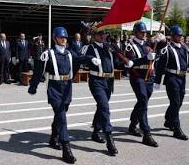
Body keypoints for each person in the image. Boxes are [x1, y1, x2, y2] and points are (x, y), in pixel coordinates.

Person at [28, 27, 95, 164]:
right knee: (62, 117)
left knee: (60, 114)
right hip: (54, 87)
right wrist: (33, 86)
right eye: (60, 37)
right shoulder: (48, 54)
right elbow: (38, 70)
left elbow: (80, 58)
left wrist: (91, 59)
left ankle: (53, 137)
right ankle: (66, 148)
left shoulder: (70, 53)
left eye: (65, 37)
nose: (64, 39)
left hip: (67, 87)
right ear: (55, 39)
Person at [154, 26, 189, 140]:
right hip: (171, 78)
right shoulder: (167, 49)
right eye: (178, 35)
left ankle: (169, 121)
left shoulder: (184, 48)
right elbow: (160, 66)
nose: (180, 37)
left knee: (179, 103)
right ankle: (177, 129)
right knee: (175, 102)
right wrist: (157, 81)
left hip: (182, 78)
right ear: (172, 36)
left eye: (181, 35)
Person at [83, 28, 122, 156]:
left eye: (104, 34)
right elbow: (83, 57)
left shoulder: (109, 47)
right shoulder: (90, 47)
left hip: (109, 81)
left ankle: (95, 131)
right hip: (96, 81)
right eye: (100, 34)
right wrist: (90, 59)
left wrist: (125, 62)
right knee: (105, 107)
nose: (102, 36)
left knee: (101, 107)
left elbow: (117, 61)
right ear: (94, 36)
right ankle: (109, 138)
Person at [124, 22, 162, 147]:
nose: (144, 34)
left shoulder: (147, 45)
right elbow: (130, 62)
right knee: (143, 102)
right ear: (136, 32)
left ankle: (132, 124)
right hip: (138, 77)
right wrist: (146, 58)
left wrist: (162, 43)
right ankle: (146, 133)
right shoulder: (130, 46)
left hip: (149, 77)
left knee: (142, 102)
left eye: (145, 32)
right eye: (142, 32)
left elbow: (155, 58)